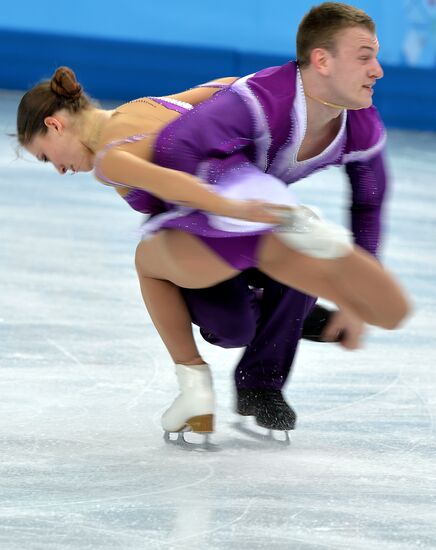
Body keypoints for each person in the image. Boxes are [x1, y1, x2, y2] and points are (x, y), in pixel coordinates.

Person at [16, 3, 410, 439]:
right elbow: (227, 88)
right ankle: (290, 310)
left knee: (156, 266)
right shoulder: (146, 105)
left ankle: (219, 379)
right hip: (244, 211)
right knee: (235, 322)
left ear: (54, 125)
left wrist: (231, 203)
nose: (58, 168)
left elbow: (179, 178)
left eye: (46, 156)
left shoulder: (113, 154)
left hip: (224, 218)